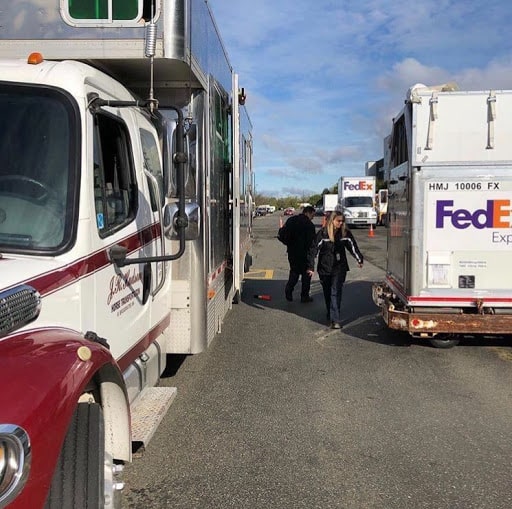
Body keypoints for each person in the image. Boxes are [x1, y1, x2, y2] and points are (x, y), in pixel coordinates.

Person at [315, 211, 363, 329]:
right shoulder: (323, 233)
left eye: (342, 221)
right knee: (327, 292)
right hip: (325, 267)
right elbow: (313, 249)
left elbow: (353, 246)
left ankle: (335, 320)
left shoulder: (345, 233)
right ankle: (331, 313)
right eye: (338, 221)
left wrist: (359, 259)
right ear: (332, 221)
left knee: (335, 292)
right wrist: (310, 266)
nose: (341, 223)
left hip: (339, 267)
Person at [283, 205, 316, 303]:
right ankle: (304, 296)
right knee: (306, 275)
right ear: (308, 213)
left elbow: (283, 234)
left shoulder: (291, 220)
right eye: (312, 215)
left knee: (294, 272)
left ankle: (289, 289)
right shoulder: (309, 225)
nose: (313, 218)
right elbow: (312, 244)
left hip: (292, 252)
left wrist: (289, 244)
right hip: (305, 254)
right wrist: (311, 261)